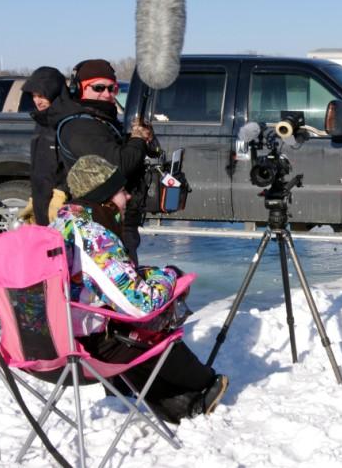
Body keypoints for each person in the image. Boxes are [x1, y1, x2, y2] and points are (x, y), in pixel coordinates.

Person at [51, 154, 227, 423]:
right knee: (145, 323)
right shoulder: (93, 236)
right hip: (86, 346)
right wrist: (170, 275)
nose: (128, 197)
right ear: (104, 196)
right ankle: (199, 386)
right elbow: (142, 302)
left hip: (52, 339)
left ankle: (176, 401)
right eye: (121, 191)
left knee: (124, 325)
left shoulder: (59, 224)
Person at [46, 59, 159, 265]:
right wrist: (137, 140)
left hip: (115, 216)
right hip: (101, 222)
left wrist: (143, 140)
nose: (107, 94)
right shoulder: (81, 126)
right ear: (78, 88)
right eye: (98, 88)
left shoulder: (100, 120)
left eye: (112, 88)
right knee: (120, 286)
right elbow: (119, 165)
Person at [20, 66, 69, 226]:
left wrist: (63, 192)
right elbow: (39, 167)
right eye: (34, 96)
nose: (37, 100)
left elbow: (77, 163)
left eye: (42, 95)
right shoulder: (41, 122)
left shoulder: (69, 122)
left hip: (64, 205)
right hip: (42, 201)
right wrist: (34, 199)